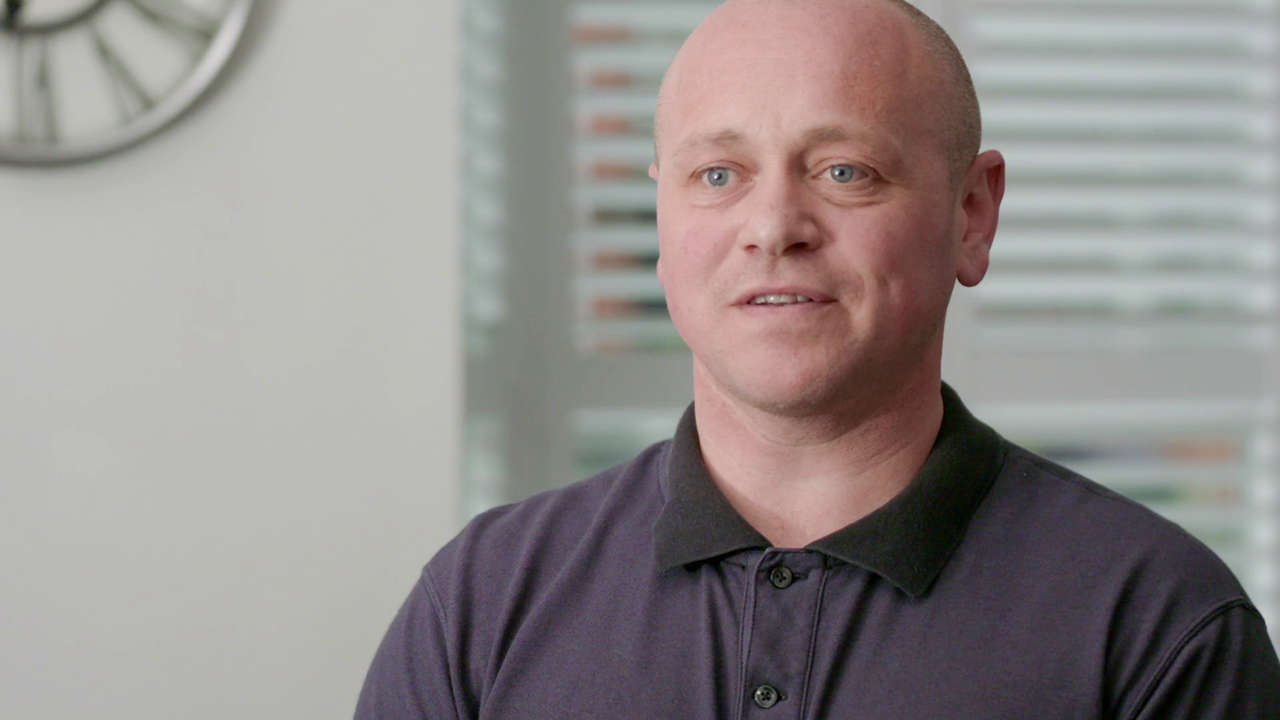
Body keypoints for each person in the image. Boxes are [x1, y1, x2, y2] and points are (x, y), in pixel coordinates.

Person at [356, 0, 1280, 716]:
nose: (773, 228)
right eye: (718, 175)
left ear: (972, 215)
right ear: (663, 216)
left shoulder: (1159, 625)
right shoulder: (479, 604)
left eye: (845, 171)